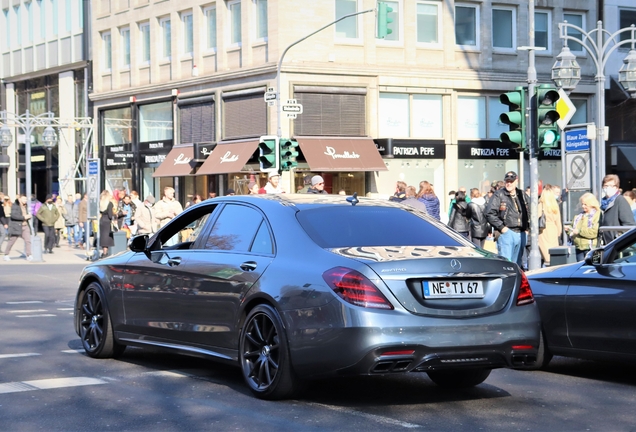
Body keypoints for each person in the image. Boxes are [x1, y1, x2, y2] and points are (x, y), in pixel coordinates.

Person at [485, 171, 529, 266]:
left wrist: (527, 229)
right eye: (507, 181)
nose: (509, 183)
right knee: (506, 264)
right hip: (507, 233)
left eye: (511, 181)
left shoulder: (522, 194)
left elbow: (529, 212)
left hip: (521, 233)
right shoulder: (499, 194)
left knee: (517, 264)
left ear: (516, 181)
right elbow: (489, 213)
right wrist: (502, 228)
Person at [600, 174, 635, 245]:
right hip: (605, 244)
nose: (607, 188)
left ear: (616, 187)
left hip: (616, 245)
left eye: (611, 185)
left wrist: (618, 238)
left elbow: (629, 225)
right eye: (605, 186)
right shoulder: (602, 203)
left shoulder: (620, 200)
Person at [567, 192, 602, 261]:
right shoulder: (579, 216)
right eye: (582, 204)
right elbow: (572, 228)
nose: (583, 206)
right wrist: (568, 230)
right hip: (579, 248)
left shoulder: (597, 214)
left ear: (591, 204)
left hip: (591, 248)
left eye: (585, 204)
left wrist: (579, 231)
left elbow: (594, 232)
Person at [537, 187, 562, 267]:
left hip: (543, 230)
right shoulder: (555, 206)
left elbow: (537, 217)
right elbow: (558, 222)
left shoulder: (541, 205)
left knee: (545, 254)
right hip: (553, 230)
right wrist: (558, 233)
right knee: (552, 253)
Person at [4, 195, 33, 261]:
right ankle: (6, 254)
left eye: (26, 199)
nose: (25, 201)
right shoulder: (15, 205)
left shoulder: (26, 206)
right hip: (16, 226)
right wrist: (24, 217)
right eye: (24, 199)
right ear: (19, 199)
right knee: (12, 241)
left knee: (28, 241)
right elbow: (13, 216)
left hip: (25, 225)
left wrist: (29, 216)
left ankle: (29, 255)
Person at [99, 190, 115, 258]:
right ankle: (105, 253)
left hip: (102, 220)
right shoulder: (109, 203)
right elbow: (110, 215)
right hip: (107, 221)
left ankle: (104, 252)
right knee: (107, 238)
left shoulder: (100, 203)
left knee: (103, 237)